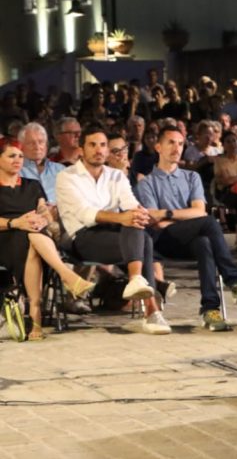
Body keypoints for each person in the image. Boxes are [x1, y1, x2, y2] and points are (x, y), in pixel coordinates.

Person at [136, 126, 237, 331]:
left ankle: (210, 310)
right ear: (158, 147)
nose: (177, 148)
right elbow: (156, 220)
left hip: (188, 237)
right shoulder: (147, 182)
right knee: (209, 224)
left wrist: (168, 213)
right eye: (171, 142)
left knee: (204, 242)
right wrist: (181, 216)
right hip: (162, 240)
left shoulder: (191, 177)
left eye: (180, 144)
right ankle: (235, 281)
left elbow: (198, 210)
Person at [55, 126, 168, 334]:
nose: (98, 150)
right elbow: (84, 213)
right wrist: (122, 217)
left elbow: (131, 203)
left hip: (115, 235)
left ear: (107, 151)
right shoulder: (67, 176)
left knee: (137, 226)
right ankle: (151, 310)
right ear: (82, 149)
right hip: (81, 239)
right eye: (93, 145)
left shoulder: (116, 176)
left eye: (103, 145)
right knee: (143, 238)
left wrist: (140, 213)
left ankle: (137, 284)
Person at [0, 138, 95, 340]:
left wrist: (43, 218)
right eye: (11, 156)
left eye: (20, 156)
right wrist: (15, 223)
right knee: (30, 238)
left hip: (33, 238)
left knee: (33, 238)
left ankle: (35, 316)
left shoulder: (32, 185)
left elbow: (44, 210)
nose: (17, 160)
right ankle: (64, 279)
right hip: (4, 238)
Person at [18, 123, 64, 202]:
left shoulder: (60, 169)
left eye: (41, 142)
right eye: (31, 143)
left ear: (46, 145)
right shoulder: (16, 171)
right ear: (21, 147)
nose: (37, 147)